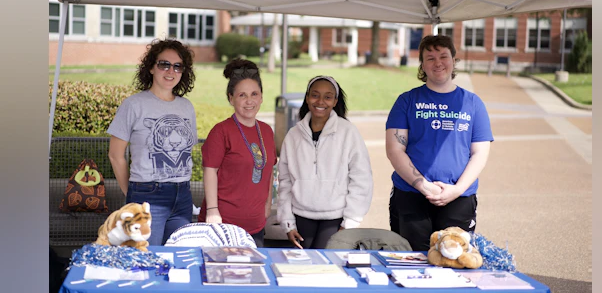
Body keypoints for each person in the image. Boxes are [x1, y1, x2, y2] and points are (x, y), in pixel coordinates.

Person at [385, 35, 493, 251]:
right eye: (430, 58)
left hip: (459, 197)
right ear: (422, 65)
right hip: (411, 195)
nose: (438, 63)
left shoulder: (472, 103)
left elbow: (480, 153)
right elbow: (395, 149)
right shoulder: (407, 101)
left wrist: (457, 189)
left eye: (443, 56)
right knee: (411, 261)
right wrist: (423, 186)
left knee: (454, 261)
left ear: (453, 60)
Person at [107, 38, 198, 246]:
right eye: (164, 64)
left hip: (183, 195)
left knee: (178, 256)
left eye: (177, 66)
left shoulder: (187, 107)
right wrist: (131, 193)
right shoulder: (134, 105)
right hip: (147, 195)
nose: (170, 71)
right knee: (145, 258)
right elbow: (115, 155)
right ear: (150, 68)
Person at [277, 75, 374, 249]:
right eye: (315, 95)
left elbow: (362, 179)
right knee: (302, 269)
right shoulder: (293, 135)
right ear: (307, 98)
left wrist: (350, 222)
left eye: (328, 97)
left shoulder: (348, 133)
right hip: (301, 216)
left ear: (335, 101)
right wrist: (287, 222)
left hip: (335, 218)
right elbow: (284, 181)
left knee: (327, 267)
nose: (320, 101)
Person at [196, 59, 276, 247]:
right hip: (222, 226)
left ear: (262, 97)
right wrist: (213, 211)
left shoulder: (266, 131)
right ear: (231, 99)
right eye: (242, 95)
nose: (249, 101)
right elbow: (210, 172)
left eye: (254, 94)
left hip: (255, 226)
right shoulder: (221, 131)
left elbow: (269, 169)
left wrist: (267, 204)